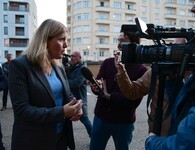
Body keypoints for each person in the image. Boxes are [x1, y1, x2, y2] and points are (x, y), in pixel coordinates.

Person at [8, 19, 83, 150]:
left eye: (66, 40)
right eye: (61, 39)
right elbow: (22, 110)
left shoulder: (58, 67)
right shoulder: (20, 66)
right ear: (45, 41)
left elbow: (67, 94)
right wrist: (61, 112)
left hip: (60, 139)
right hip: (33, 142)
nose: (66, 45)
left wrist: (76, 107)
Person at [144, 1, 195, 149]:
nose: (194, 8)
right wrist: (172, 80)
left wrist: (152, 143)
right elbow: (189, 109)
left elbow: (187, 144)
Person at [115, 38, 188, 136]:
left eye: (181, 48)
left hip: (186, 136)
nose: (176, 51)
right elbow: (132, 91)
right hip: (159, 134)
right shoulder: (157, 71)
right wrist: (121, 71)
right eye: (174, 46)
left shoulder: (194, 75)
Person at [89, 29, 147, 150]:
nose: (119, 44)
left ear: (134, 44)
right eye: (118, 40)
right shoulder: (108, 62)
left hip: (123, 122)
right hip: (101, 117)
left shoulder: (142, 70)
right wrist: (96, 86)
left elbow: (133, 101)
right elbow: (99, 81)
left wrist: (109, 96)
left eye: (123, 41)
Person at [67, 50, 92, 137]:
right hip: (71, 98)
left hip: (80, 98)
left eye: (74, 56)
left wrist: (64, 82)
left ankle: (93, 138)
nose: (71, 58)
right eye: (71, 56)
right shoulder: (72, 67)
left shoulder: (82, 69)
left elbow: (76, 83)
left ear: (79, 58)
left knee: (84, 119)